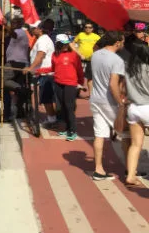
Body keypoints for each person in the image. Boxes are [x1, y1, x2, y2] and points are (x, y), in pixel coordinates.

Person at [90, 31, 128, 180]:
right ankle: (130, 169)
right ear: (117, 42)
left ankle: (98, 169)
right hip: (110, 101)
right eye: (122, 41)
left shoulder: (95, 55)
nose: (123, 44)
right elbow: (113, 84)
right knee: (127, 134)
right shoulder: (116, 60)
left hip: (96, 99)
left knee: (99, 134)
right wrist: (121, 102)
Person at [124, 24, 149, 187]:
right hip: (148, 105)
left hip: (133, 108)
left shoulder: (128, 67)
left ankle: (131, 176)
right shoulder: (147, 67)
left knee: (135, 144)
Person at [51, 34, 85, 141]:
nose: (65, 46)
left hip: (70, 84)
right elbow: (53, 68)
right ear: (58, 44)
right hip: (58, 83)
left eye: (66, 44)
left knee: (69, 107)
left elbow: (79, 70)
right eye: (63, 44)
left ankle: (72, 130)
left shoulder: (74, 55)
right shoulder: (54, 55)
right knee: (61, 107)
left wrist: (80, 83)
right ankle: (66, 128)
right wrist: (39, 71)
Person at [24, 19, 57, 126]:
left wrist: (31, 68)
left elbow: (41, 55)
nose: (32, 31)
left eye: (33, 29)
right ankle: (52, 117)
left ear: (40, 29)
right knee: (46, 97)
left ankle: (52, 119)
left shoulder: (43, 40)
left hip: (45, 73)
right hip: (42, 73)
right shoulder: (41, 39)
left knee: (46, 97)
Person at [75, 22, 101, 97]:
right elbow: (73, 44)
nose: (87, 29)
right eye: (86, 27)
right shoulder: (80, 35)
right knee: (79, 76)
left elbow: (101, 46)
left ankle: (91, 94)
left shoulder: (96, 37)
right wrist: (78, 53)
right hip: (81, 59)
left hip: (91, 60)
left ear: (92, 29)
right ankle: (77, 93)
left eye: (89, 27)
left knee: (90, 77)